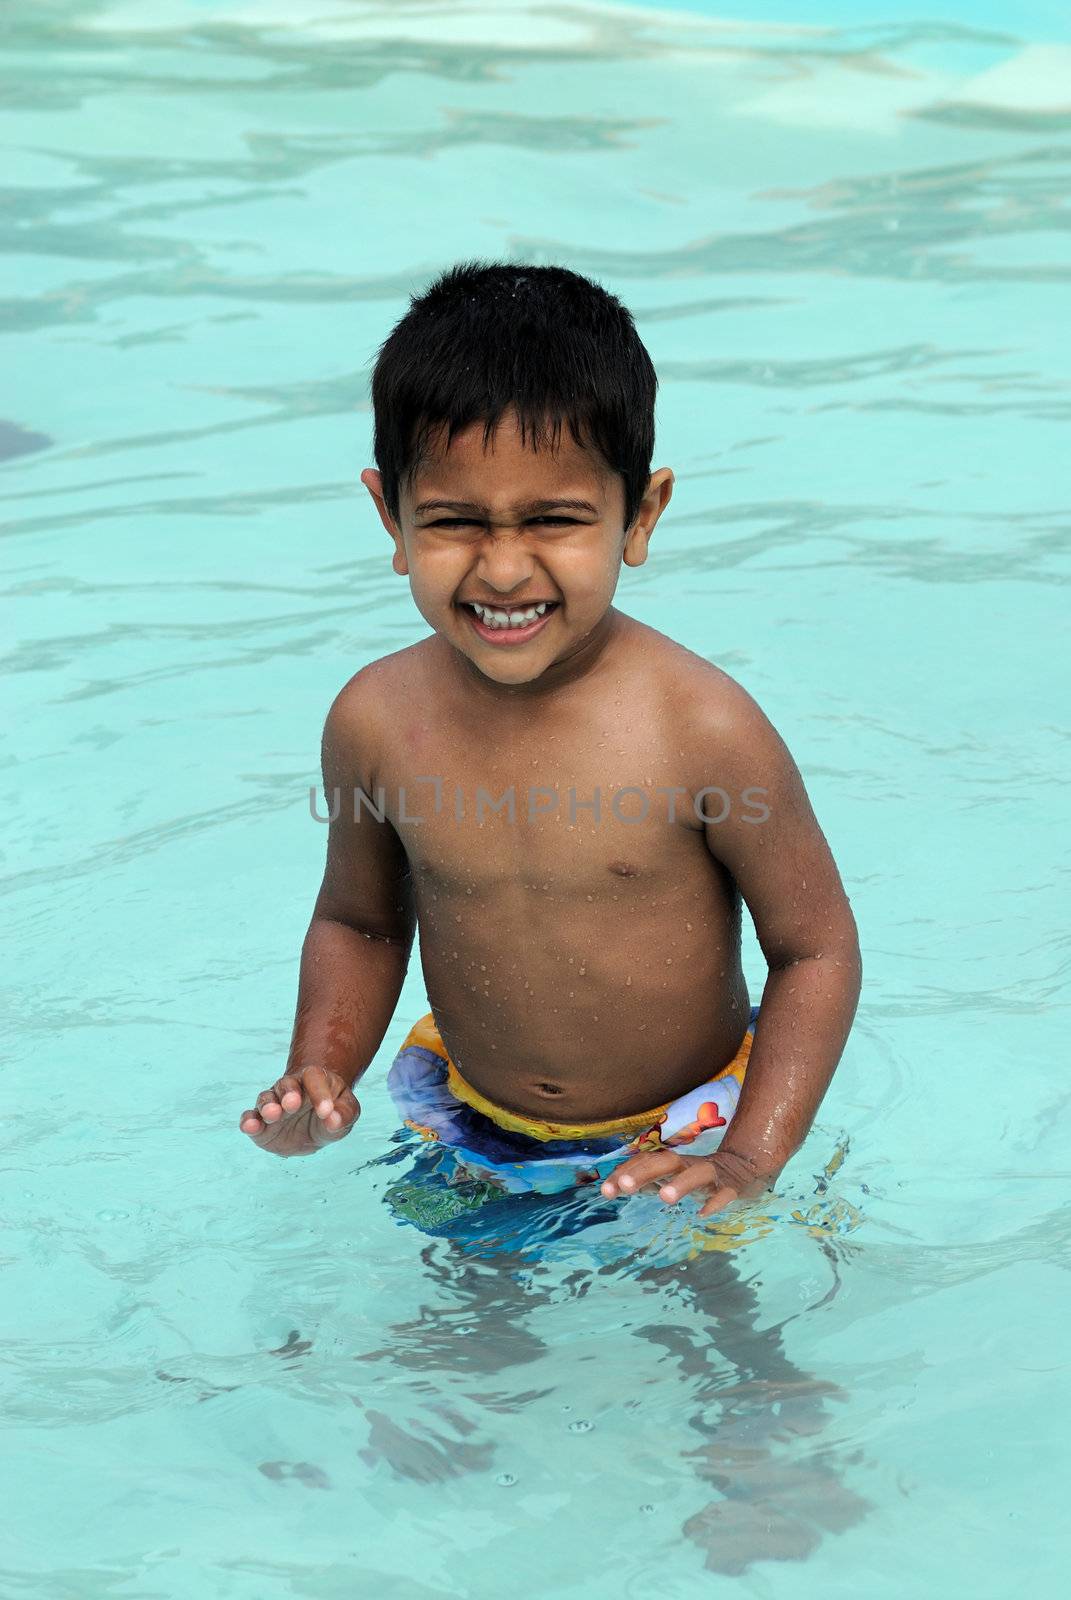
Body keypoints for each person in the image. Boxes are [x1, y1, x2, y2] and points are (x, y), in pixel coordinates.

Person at [237, 262, 861, 1222]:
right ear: (389, 517)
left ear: (639, 516)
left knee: (728, 1350)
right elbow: (359, 921)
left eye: (555, 520)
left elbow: (813, 949)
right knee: (463, 1351)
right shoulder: (374, 721)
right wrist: (318, 1067)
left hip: (694, 1125)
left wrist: (747, 1159)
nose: (503, 568)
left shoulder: (702, 727)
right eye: (452, 522)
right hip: (473, 1116)